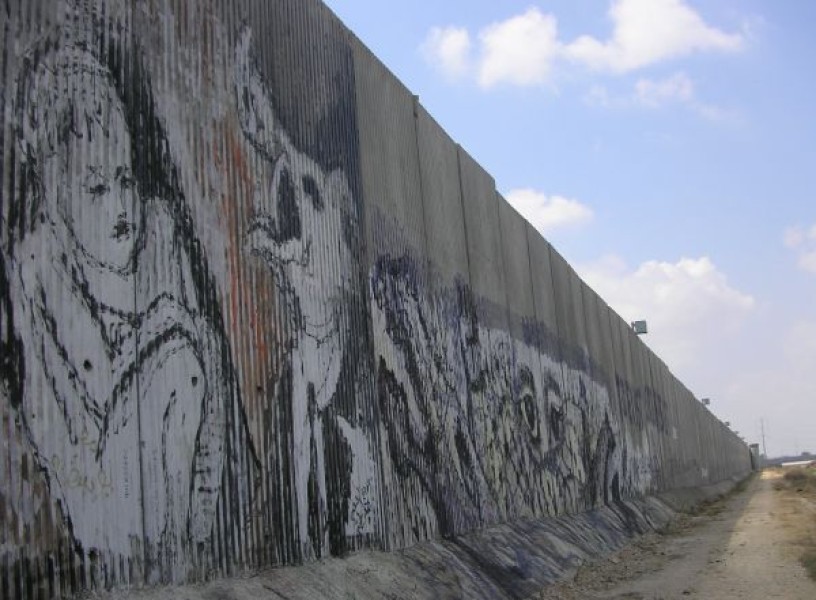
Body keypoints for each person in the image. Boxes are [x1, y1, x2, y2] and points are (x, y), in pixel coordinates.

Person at [2, 23, 250, 579]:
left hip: (182, 515)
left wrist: (198, 533)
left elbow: (207, 384)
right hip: (100, 495)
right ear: (54, 189)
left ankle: (177, 561)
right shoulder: (41, 264)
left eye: (124, 179)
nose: (120, 204)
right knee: (176, 358)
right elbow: (62, 424)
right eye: (95, 187)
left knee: (183, 359)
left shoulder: (158, 232)